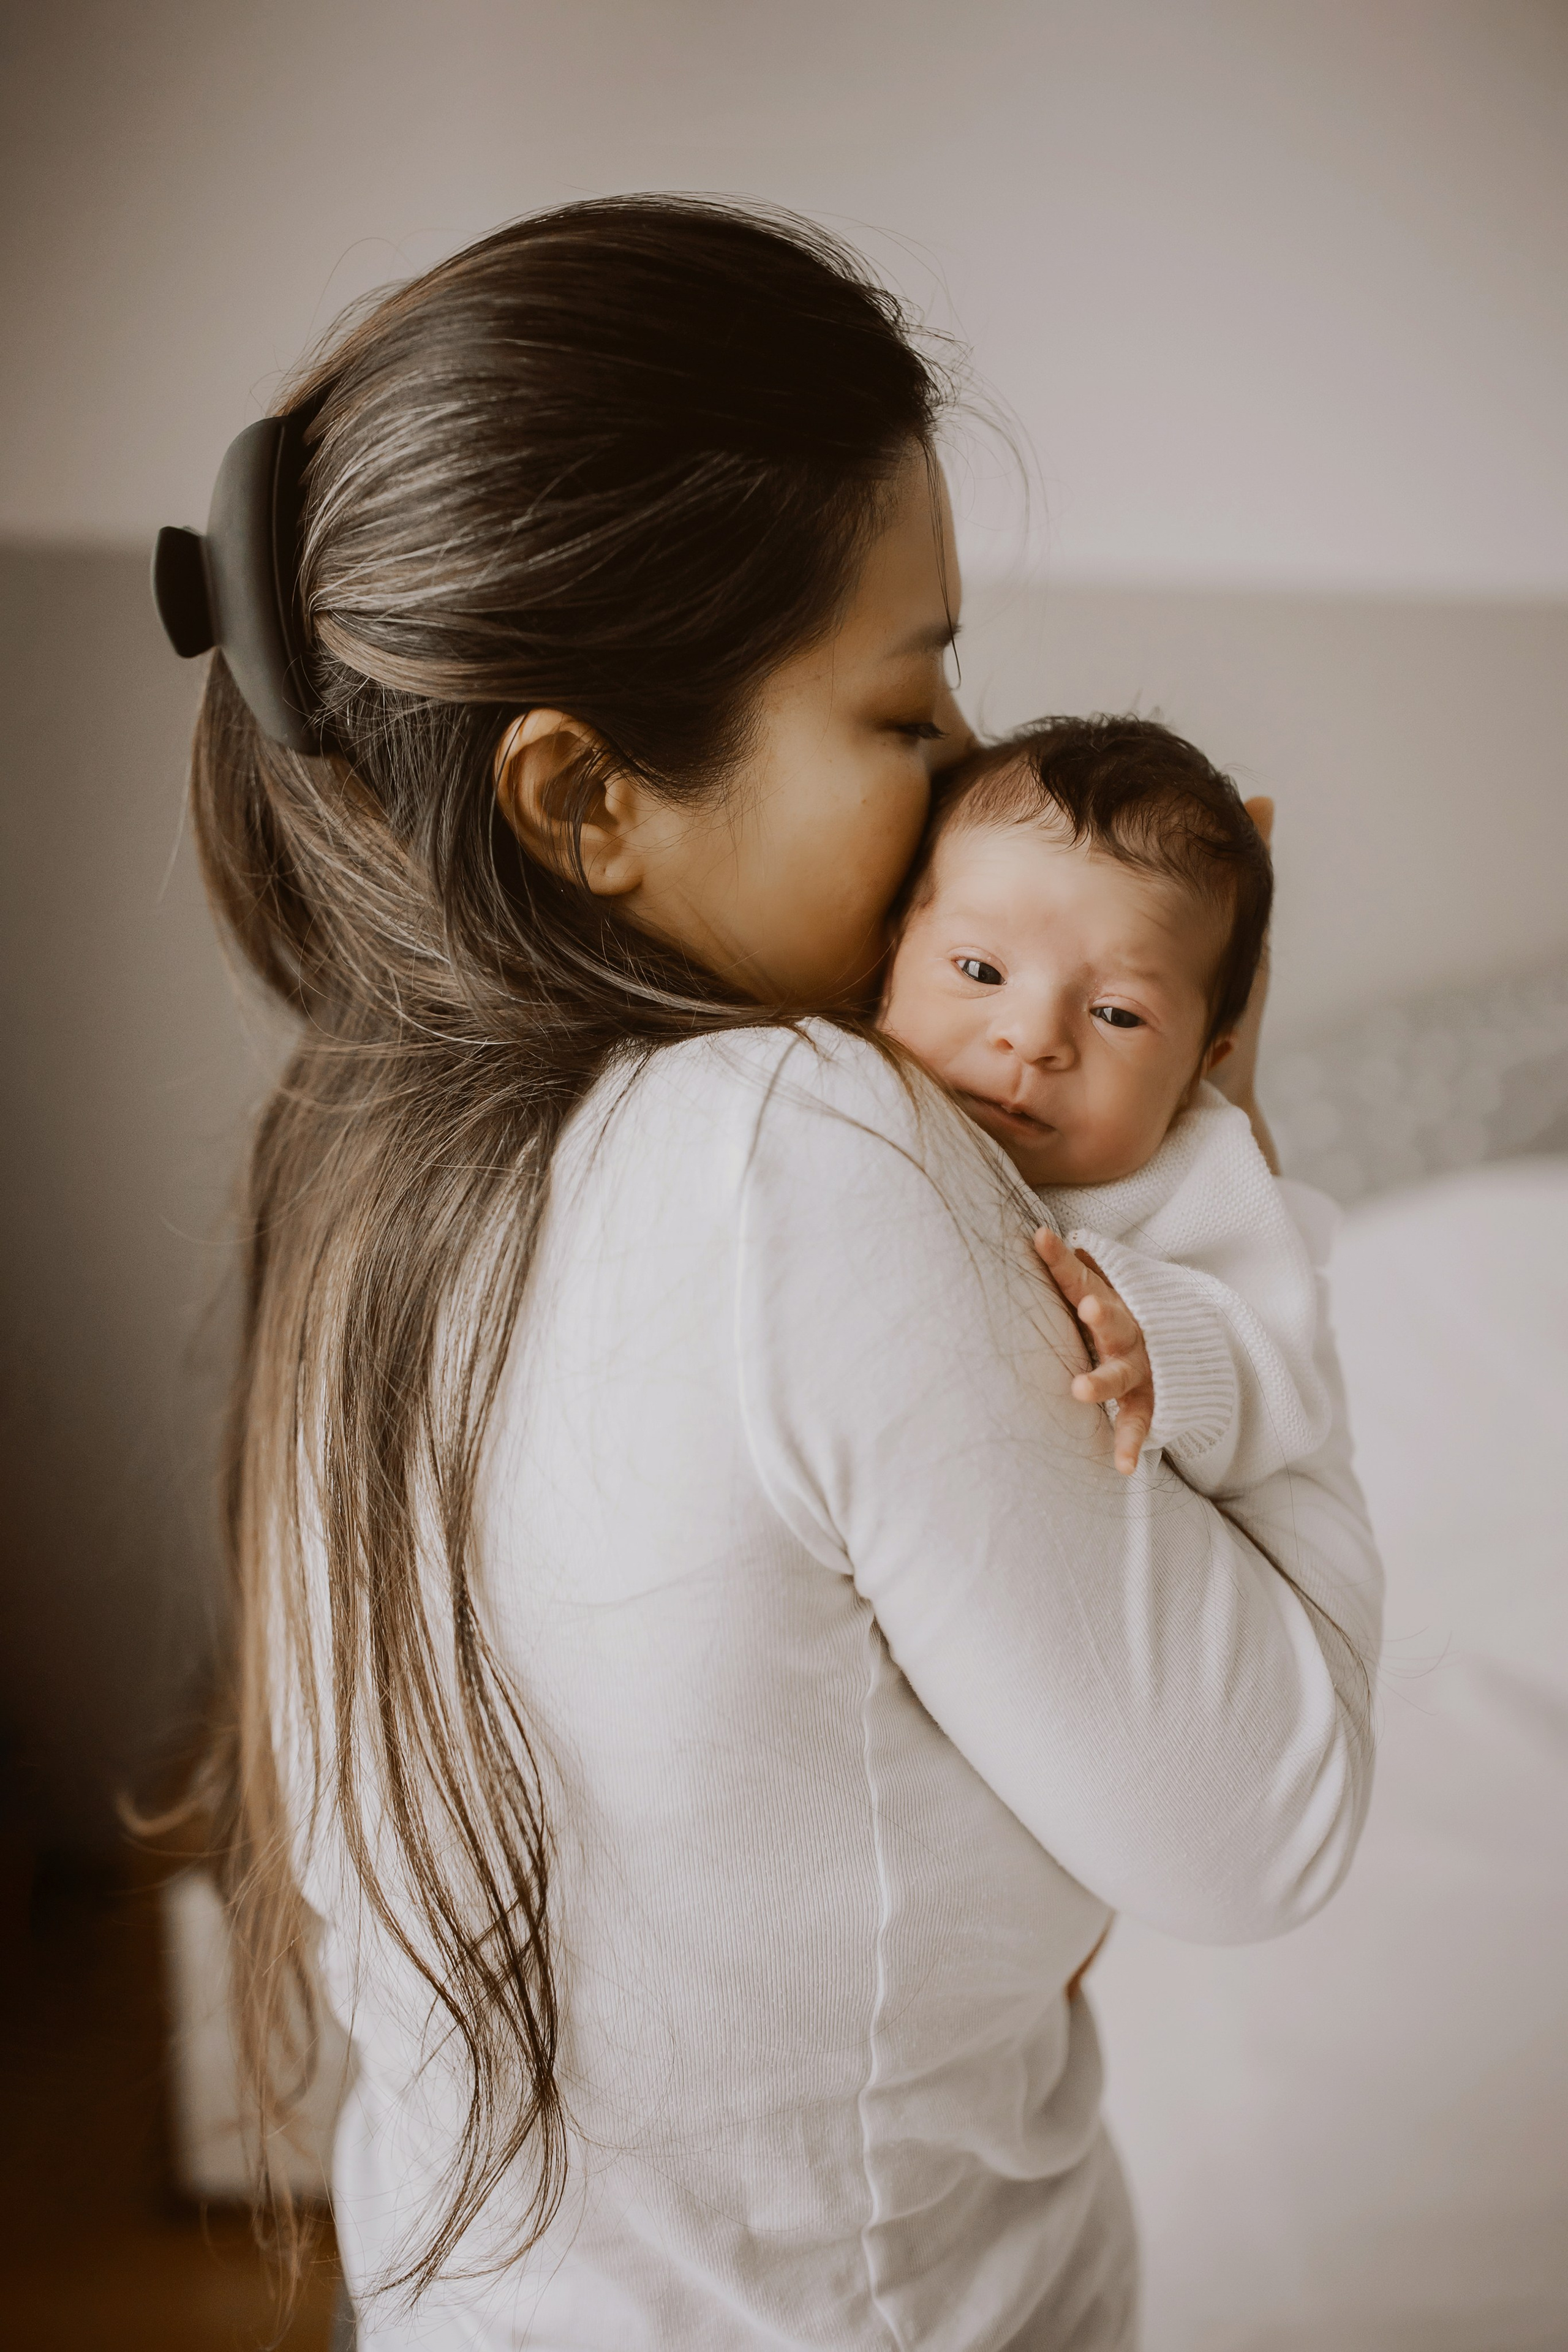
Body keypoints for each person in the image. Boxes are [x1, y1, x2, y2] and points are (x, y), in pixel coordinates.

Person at [164, 197, 1381, 2350]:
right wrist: (1228, 1165)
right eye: (908, 716)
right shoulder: (803, 1159)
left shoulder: (360, 1141)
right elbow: (1270, 1821)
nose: (962, 794)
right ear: (586, 796)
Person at [880, 714, 1340, 1498]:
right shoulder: (841, 1086)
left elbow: (1284, 1382)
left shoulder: (1200, 1177)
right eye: (978, 970)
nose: (1031, 1039)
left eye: (1118, 1015)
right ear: (886, 954)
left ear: (1204, 1064)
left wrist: (1160, 1351)